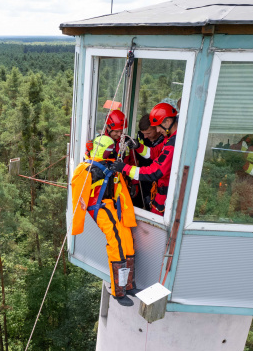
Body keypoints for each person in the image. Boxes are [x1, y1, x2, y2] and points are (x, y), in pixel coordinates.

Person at [71, 134, 138, 306]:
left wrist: (130, 149)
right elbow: (78, 196)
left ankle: (128, 284)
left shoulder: (109, 163)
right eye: (109, 150)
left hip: (113, 206)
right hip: (99, 208)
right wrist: (77, 223)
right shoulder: (85, 169)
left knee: (127, 241)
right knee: (116, 242)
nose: (111, 152)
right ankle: (118, 291)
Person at [113, 102, 179, 215]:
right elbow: (154, 152)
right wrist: (138, 146)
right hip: (161, 192)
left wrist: (125, 168)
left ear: (168, 122)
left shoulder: (173, 143)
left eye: (158, 126)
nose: (158, 130)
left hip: (166, 195)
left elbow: (155, 171)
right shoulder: (169, 139)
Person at [130, 114, 165, 210]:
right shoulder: (141, 136)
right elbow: (135, 158)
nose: (145, 137)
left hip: (156, 179)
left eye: (148, 133)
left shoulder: (165, 139)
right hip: (140, 176)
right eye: (143, 133)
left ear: (157, 128)